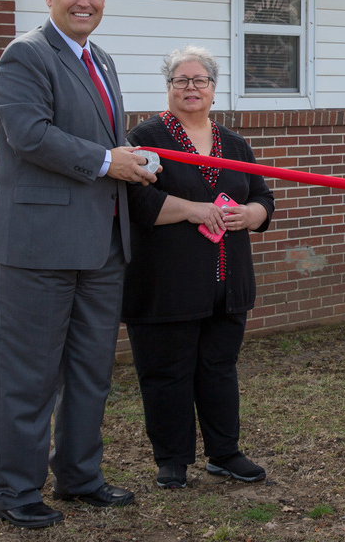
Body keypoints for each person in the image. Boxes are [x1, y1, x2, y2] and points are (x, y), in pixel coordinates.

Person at [0, 0, 156, 529]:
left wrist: (131, 158)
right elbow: (29, 135)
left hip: (101, 247)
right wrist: (107, 161)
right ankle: (17, 493)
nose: (85, 2)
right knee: (27, 378)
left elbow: (103, 140)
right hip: (33, 247)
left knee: (91, 371)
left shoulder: (100, 59)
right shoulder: (25, 55)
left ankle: (79, 476)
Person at [122, 45, 275, 489]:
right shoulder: (144, 139)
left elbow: (262, 196)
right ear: (168, 87)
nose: (191, 88)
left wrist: (251, 215)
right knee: (167, 372)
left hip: (227, 283)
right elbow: (137, 202)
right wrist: (193, 209)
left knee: (219, 369)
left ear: (213, 87)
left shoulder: (235, 143)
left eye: (200, 81)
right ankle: (172, 459)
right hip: (166, 283)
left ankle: (224, 453)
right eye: (181, 81)